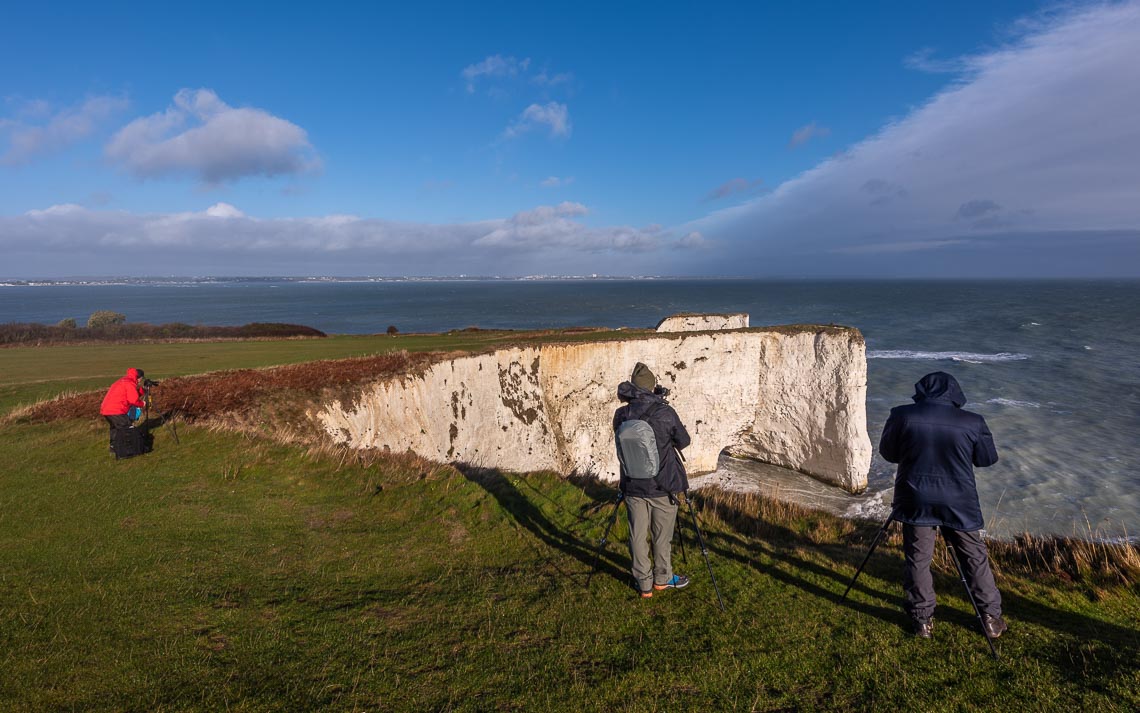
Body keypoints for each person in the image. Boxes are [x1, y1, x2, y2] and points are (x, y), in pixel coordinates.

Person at [879, 371, 1007, 639]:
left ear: (921, 390)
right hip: (958, 501)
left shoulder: (901, 415)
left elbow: (889, 454)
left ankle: (922, 621)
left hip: (916, 497)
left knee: (918, 558)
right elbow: (986, 459)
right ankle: (990, 619)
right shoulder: (973, 422)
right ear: (955, 393)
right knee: (973, 557)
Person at [613, 362, 691, 598]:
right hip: (662, 484)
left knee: (637, 535)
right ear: (652, 387)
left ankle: (643, 584)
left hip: (633, 485)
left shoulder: (621, 414)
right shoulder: (664, 412)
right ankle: (663, 578)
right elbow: (683, 441)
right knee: (661, 535)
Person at [100, 367, 148, 455]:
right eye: (142, 379)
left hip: (106, 410)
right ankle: (129, 449)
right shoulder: (130, 384)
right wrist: (143, 404)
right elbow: (133, 400)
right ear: (139, 378)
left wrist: (142, 390)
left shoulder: (123, 380)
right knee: (127, 428)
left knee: (115, 428)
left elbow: (131, 392)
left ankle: (114, 448)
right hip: (116, 410)